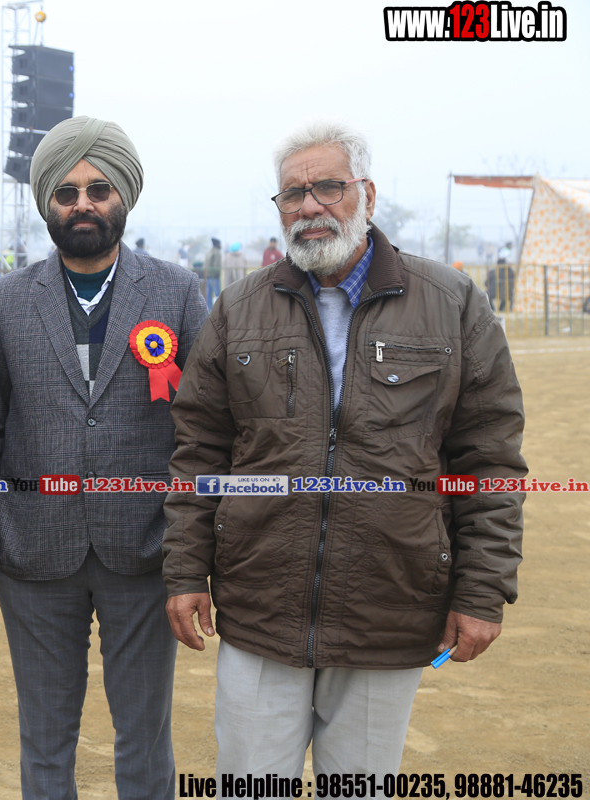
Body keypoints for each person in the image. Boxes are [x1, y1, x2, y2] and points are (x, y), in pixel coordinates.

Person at [164, 120, 525, 779]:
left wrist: (482, 591)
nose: (309, 206)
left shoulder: (451, 304)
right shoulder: (238, 310)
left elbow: (489, 460)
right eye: (292, 194)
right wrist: (187, 573)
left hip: (388, 610)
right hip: (261, 609)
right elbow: (199, 454)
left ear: (368, 195)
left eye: (329, 187)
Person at [0, 115, 208, 800]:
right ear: (46, 202)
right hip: (33, 555)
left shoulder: (176, 291)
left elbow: (203, 425)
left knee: (145, 737)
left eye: (99, 190)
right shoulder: (8, 299)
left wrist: (185, 533)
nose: (83, 204)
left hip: (146, 551)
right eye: (66, 192)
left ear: (124, 196)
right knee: (45, 740)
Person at [488, 240, 515, 311]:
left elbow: (486, 283)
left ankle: (493, 309)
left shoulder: (493, 272)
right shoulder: (511, 272)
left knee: (487, 293)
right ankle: (500, 309)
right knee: (506, 293)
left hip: (494, 292)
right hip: (507, 292)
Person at [203, 237, 222, 310]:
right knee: (217, 294)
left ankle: (209, 310)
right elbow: (217, 265)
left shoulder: (209, 252)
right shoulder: (217, 252)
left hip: (208, 275)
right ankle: (218, 310)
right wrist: (217, 273)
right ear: (218, 244)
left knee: (208, 294)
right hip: (214, 276)